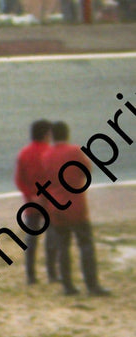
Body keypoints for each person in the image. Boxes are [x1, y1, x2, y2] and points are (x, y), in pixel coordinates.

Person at [44, 121, 110, 297]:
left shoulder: (47, 155)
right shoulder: (74, 151)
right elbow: (87, 171)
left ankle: (67, 286)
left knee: (63, 246)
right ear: (67, 134)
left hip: (56, 207)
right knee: (85, 244)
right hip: (76, 205)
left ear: (52, 136)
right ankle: (92, 285)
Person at [14, 119, 57, 284]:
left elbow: (19, 180)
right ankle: (52, 274)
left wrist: (31, 195)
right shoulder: (50, 153)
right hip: (50, 202)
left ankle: (31, 276)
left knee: (31, 239)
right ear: (47, 134)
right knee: (51, 238)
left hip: (31, 203)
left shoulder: (24, 153)